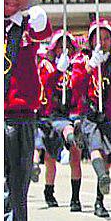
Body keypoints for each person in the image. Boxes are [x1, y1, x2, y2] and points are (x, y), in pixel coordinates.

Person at [4, 0, 52, 221]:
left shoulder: (26, 28)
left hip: (17, 120)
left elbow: (42, 31)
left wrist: (36, 21)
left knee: (12, 198)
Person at [70, 18, 111, 218]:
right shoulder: (83, 60)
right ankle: (99, 177)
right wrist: (90, 67)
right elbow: (75, 85)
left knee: (106, 156)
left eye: (107, 38)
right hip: (90, 113)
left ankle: (100, 200)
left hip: (110, 115)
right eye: (98, 37)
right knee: (95, 149)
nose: (103, 41)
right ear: (91, 41)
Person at [36, 30, 76, 208]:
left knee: (68, 129)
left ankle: (68, 145)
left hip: (65, 112)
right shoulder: (46, 65)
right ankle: (48, 189)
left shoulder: (74, 66)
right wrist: (57, 71)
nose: (63, 50)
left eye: (67, 46)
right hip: (47, 112)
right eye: (60, 46)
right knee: (49, 157)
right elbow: (44, 84)